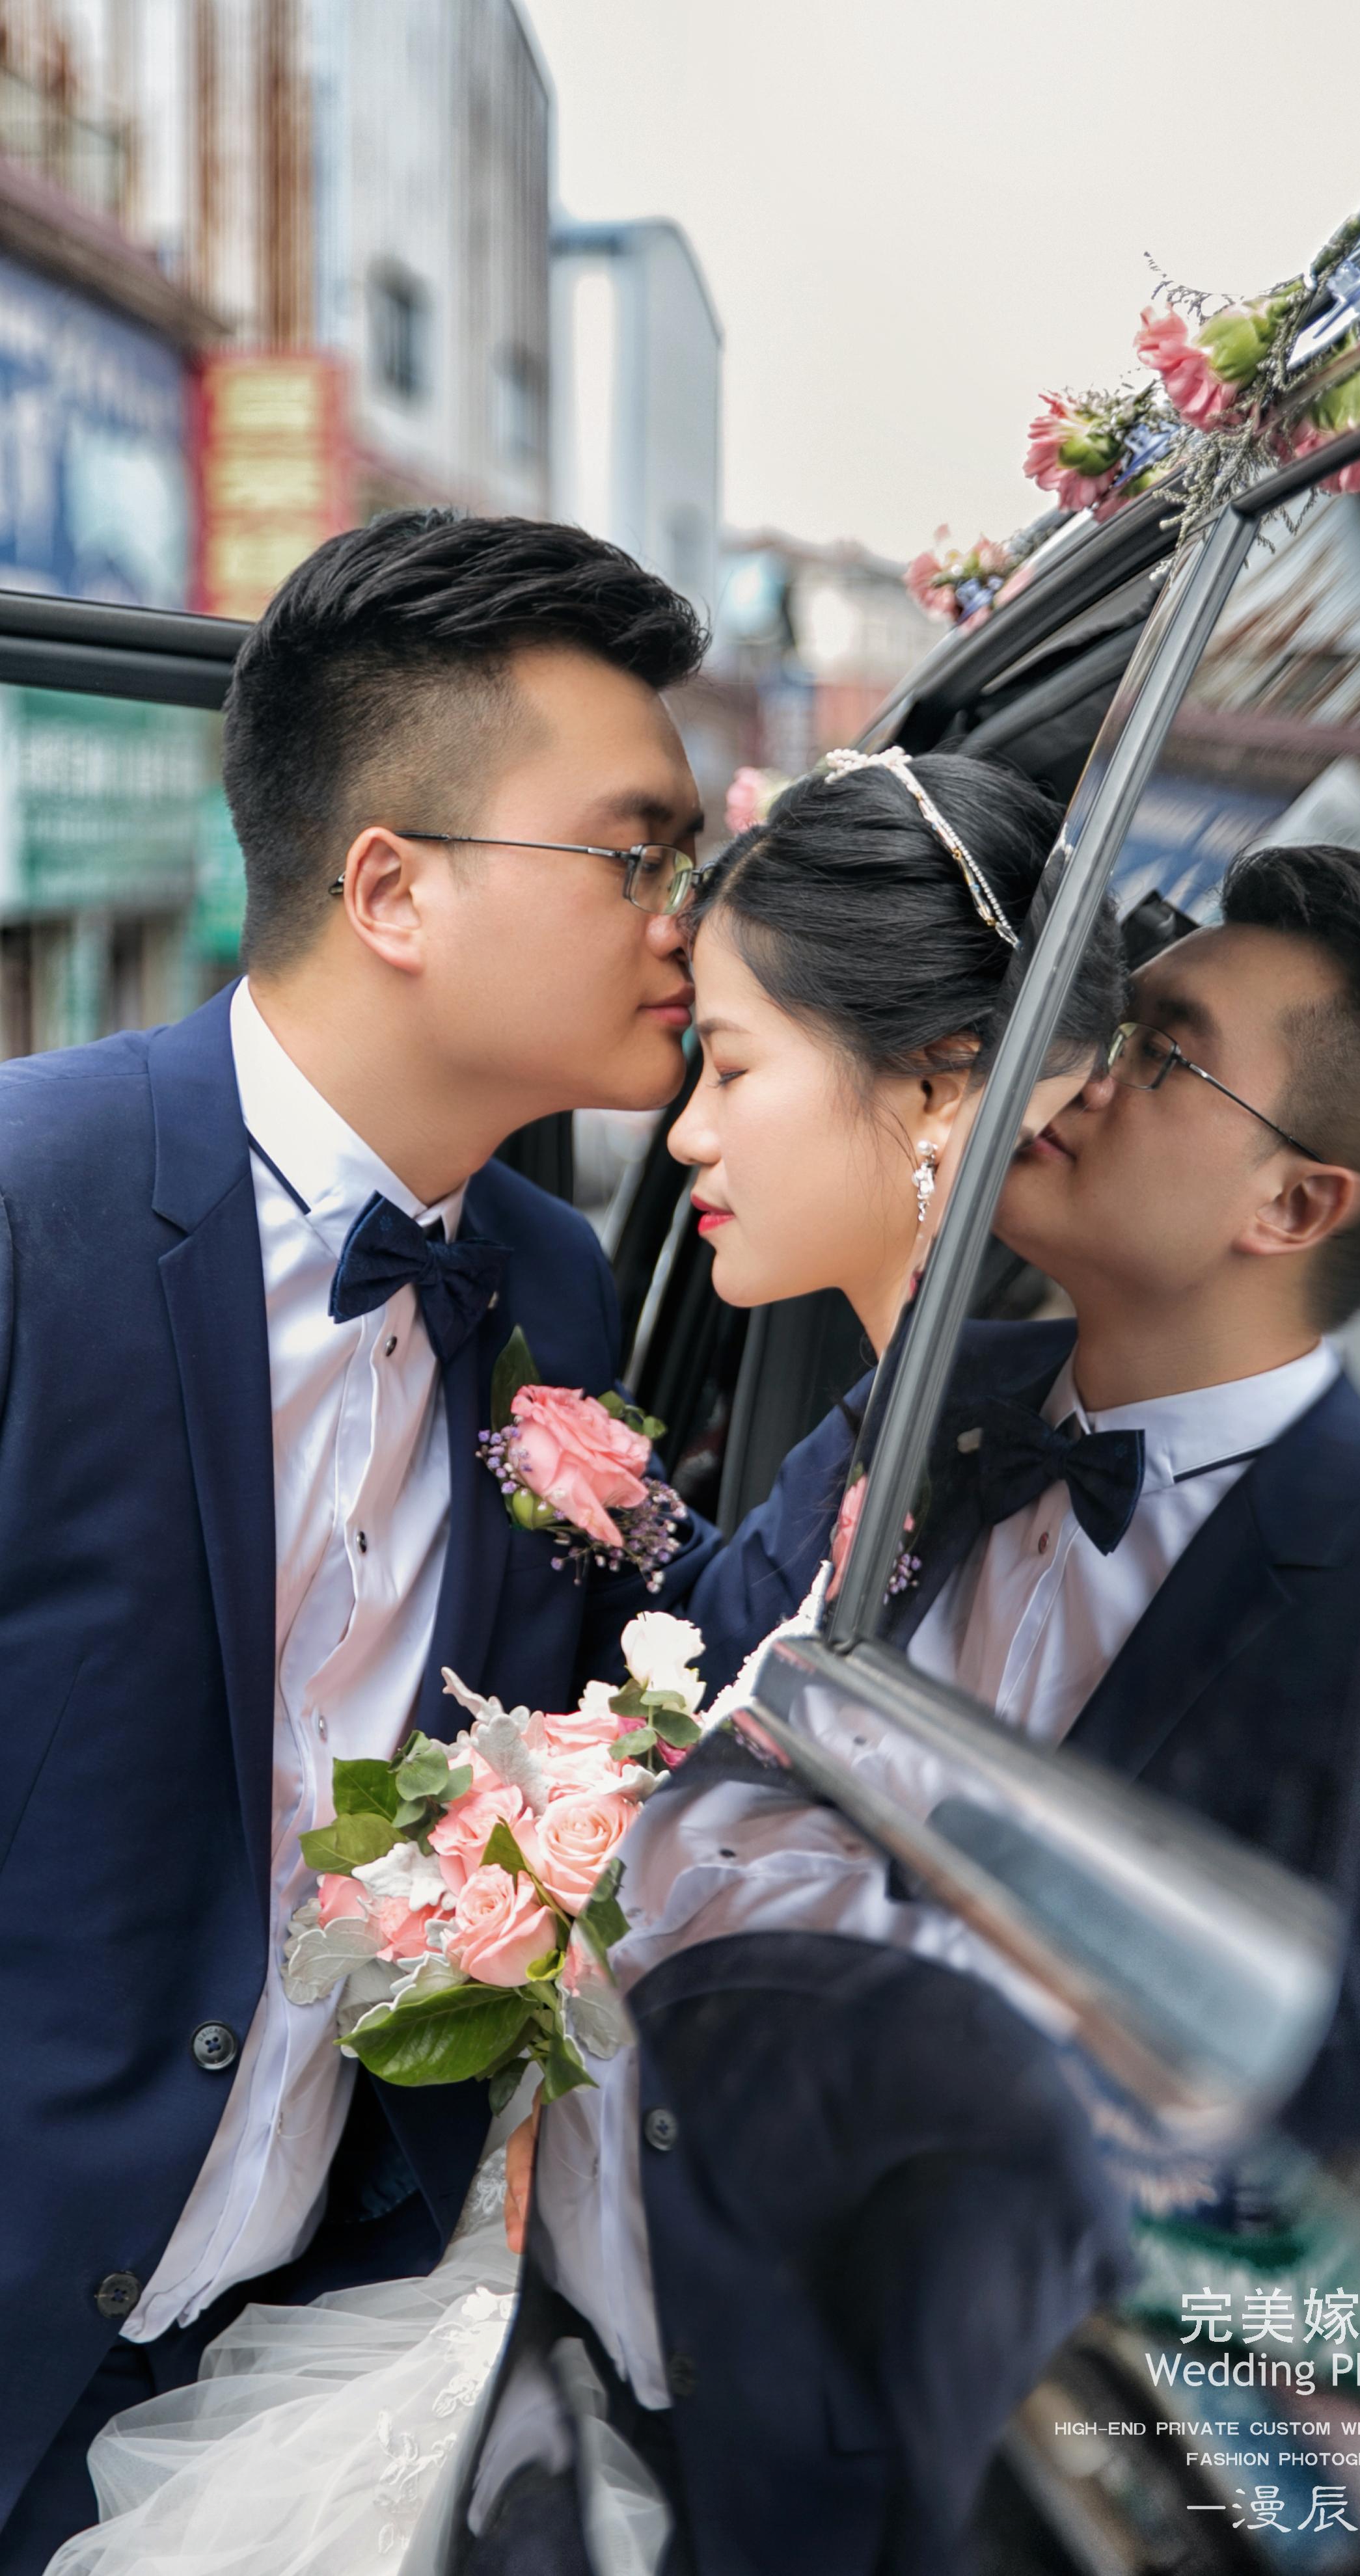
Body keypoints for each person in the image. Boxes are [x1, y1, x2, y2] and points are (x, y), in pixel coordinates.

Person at [38, 749, 1128, 2576]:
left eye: (734, 1067)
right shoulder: (871, 1446)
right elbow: (715, 1654)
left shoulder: (1068, 1485)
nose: (688, 1132)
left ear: (945, 1085)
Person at [0, 507, 724, 2575]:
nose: (685, 921)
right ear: (393, 886)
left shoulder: (549, 1281)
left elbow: (655, 1683)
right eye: (636, 855)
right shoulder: (31, 1207)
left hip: (291, 2362)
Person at [694, 838, 1360, 2160]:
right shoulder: (937, 1383)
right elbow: (694, 1678)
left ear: (1295, 1205)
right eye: (1104, 1028)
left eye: (1155, 1054)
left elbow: (1297, 2125)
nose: (1076, 1072)